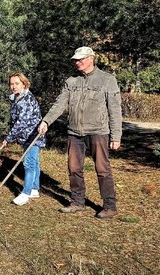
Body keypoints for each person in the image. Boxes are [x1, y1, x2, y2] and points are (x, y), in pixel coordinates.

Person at [38, 46, 122, 219]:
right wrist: (46, 121)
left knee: (102, 169)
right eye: (75, 60)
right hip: (75, 132)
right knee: (74, 168)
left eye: (81, 59)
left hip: (98, 132)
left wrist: (116, 136)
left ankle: (109, 206)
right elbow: (60, 104)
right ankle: (77, 203)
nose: (77, 62)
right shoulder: (71, 81)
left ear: (91, 58)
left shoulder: (107, 80)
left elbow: (115, 109)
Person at [3, 73, 46, 206]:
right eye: (11, 84)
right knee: (34, 163)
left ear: (24, 84)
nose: (13, 86)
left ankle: (25, 193)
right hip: (26, 135)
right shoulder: (17, 97)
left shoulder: (26, 99)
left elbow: (21, 122)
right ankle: (34, 189)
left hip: (33, 135)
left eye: (16, 83)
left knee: (29, 164)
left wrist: (9, 138)